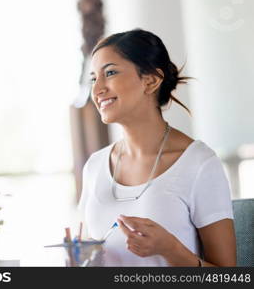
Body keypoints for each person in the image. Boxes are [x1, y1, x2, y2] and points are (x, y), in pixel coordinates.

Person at [78, 29, 236, 267]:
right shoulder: (95, 166)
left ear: (151, 80)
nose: (97, 89)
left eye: (110, 73)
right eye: (93, 78)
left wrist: (170, 249)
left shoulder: (198, 163)